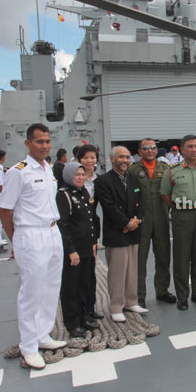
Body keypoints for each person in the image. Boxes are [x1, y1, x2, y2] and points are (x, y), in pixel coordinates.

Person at [0, 123, 66, 370]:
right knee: (31, 292)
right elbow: (4, 209)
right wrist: (15, 239)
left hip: (52, 231)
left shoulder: (48, 168)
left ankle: (43, 335)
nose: (45, 146)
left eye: (47, 141)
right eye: (39, 142)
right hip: (31, 234)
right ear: (28, 143)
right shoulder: (19, 171)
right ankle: (28, 346)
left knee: (51, 287)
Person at [161, 135, 196, 310]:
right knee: (182, 257)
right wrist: (178, 207)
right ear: (182, 150)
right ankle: (182, 296)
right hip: (182, 216)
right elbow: (165, 195)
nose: (194, 150)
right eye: (190, 147)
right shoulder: (172, 171)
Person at [95, 146, 147, 322]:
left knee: (132, 268)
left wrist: (136, 221)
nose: (125, 160)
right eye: (121, 157)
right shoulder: (103, 181)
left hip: (133, 231)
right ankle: (116, 305)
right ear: (112, 159)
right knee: (117, 271)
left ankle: (131, 301)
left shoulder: (133, 178)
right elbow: (108, 207)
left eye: (127, 157)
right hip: (116, 232)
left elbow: (141, 202)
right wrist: (126, 223)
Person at [128, 138, 175, 308]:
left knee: (163, 256)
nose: (150, 150)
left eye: (153, 148)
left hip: (162, 217)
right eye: (146, 148)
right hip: (142, 219)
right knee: (140, 259)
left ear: (157, 150)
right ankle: (139, 295)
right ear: (140, 152)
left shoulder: (166, 169)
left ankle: (162, 290)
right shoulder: (133, 171)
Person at [56, 163, 100, 338]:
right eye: (77, 175)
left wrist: (93, 242)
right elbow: (63, 225)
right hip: (74, 251)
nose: (81, 177)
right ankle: (72, 323)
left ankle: (83, 317)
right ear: (68, 176)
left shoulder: (84, 193)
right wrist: (71, 250)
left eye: (83, 174)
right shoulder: (63, 196)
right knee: (71, 288)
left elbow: (89, 220)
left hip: (86, 247)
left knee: (84, 284)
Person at [76, 144, 104, 320]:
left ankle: (90, 307)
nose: (90, 161)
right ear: (80, 159)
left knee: (90, 270)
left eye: (92, 158)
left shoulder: (97, 180)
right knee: (79, 271)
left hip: (92, 228)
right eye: (86, 158)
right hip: (78, 229)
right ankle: (80, 310)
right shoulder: (75, 180)